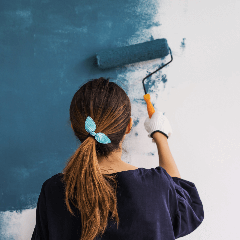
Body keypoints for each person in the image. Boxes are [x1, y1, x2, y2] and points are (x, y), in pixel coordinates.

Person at [31, 77, 204, 240]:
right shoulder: (155, 186)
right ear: (128, 126)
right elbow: (186, 209)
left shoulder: (53, 191)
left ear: (74, 127)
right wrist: (160, 135)